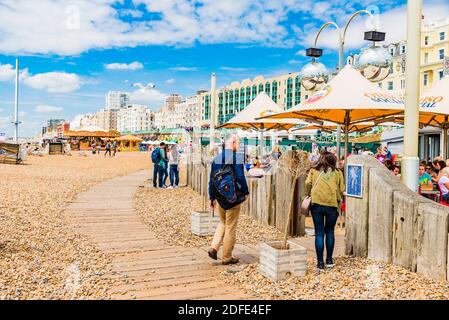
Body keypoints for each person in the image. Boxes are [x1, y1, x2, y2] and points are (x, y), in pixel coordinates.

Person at [208, 134, 249, 265]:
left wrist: (212, 197)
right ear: (233, 143)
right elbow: (241, 176)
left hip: (220, 197)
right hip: (232, 198)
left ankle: (214, 248)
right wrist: (246, 192)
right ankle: (226, 258)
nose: (239, 146)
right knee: (230, 227)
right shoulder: (236, 157)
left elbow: (211, 180)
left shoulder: (216, 158)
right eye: (239, 143)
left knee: (223, 222)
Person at [305, 151, 345, 271]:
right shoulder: (338, 172)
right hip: (332, 205)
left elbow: (307, 184)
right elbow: (342, 188)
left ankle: (320, 263)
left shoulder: (313, 170)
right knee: (330, 232)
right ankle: (329, 260)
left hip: (316, 204)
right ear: (333, 160)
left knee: (319, 233)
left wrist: (309, 193)